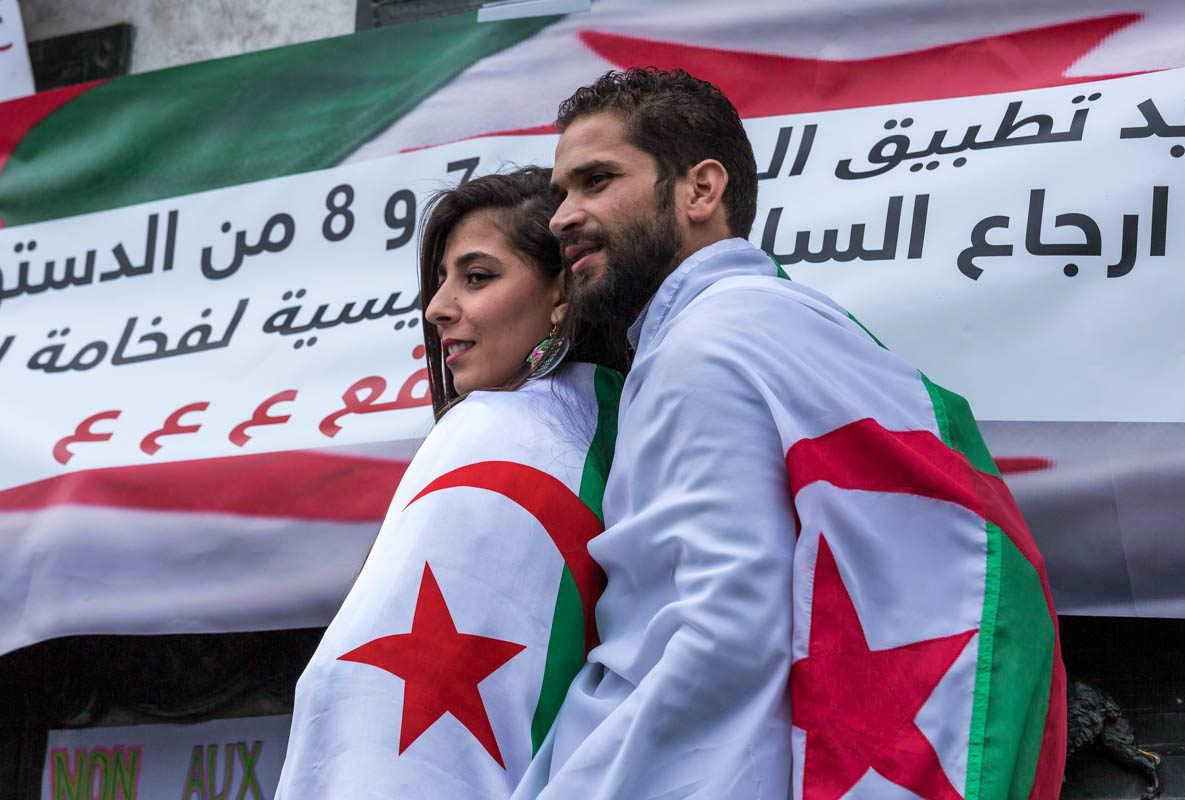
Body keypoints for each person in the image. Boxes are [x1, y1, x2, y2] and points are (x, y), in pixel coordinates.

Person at [514, 69, 1066, 800]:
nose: (561, 216)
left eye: (595, 180)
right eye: (560, 193)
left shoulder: (706, 345)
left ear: (700, 191)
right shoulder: (768, 321)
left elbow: (718, 635)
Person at [275, 167, 626, 799]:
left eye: (477, 276)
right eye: (441, 280)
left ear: (561, 295)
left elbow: (371, 709)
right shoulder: (621, 439)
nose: (438, 308)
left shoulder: (489, 431)